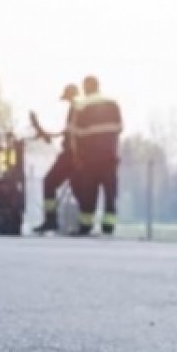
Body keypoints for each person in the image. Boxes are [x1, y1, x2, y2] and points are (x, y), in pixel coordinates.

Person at [69, 75, 123, 236]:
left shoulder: (81, 106)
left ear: (86, 87)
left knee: (88, 193)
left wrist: (77, 157)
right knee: (110, 193)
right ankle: (108, 226)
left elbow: (74, 135)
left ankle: (86, 225)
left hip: (89, 159)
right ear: (98, 85)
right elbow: (119, 128)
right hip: (109, 157)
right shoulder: (113, 103)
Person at [32, 83, 81, 234]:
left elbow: (70, 133)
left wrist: (44, 132)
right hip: (77, 154)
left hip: (72, 154)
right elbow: (65, 132)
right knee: (78, 188)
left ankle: (51, 220)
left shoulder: (77, 108)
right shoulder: (78, 109)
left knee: (50, 182)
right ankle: (82, 224)